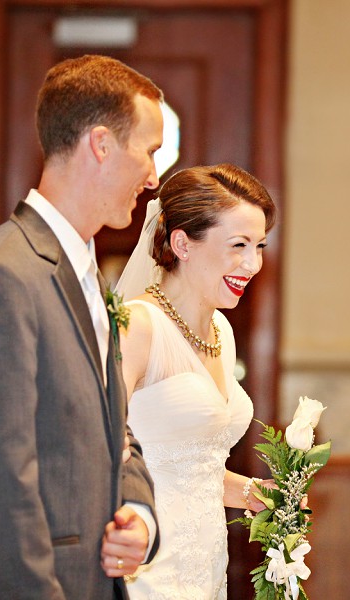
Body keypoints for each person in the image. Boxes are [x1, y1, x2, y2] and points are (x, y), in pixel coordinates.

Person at [0, 55, 164, 599]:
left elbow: (110, 425)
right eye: (150, 151)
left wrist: (138, 512)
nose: (155, 178)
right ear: (101, 144)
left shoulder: (89, 276)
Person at [113, 163, 277, 598]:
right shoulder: (138, 328)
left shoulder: (222, 331)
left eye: (259, 246)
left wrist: (254, 493)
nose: (253, 263)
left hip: (205, 565)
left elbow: (189, 465)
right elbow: (97, 451)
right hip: (145, 566)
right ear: (182, 243)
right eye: (238, 245)